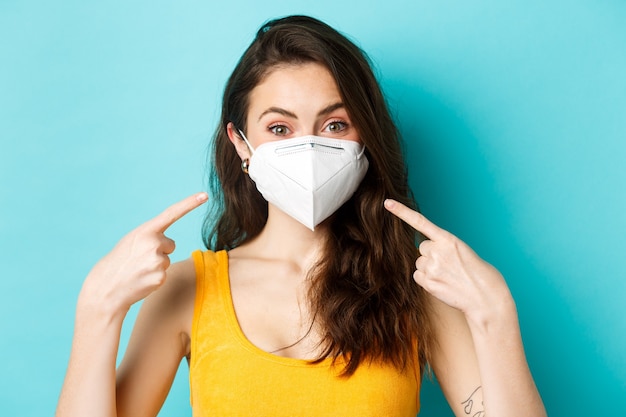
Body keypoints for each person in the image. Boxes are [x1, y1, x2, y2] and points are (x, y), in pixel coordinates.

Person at [56, 15, 546, 417]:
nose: (308, 147)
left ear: (365, 140)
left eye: (335, 124)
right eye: (279, 127)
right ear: (240, 144)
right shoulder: (188, 289)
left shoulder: (414, 287)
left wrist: (494, 314)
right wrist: (98, 308)